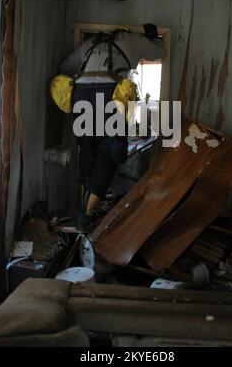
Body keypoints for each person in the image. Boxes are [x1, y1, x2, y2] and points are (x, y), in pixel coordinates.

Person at [60, 24, 166, 232]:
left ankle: (84, 208)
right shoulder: (133, 39)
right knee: (110, 154)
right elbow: (160, 52)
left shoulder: (90, 43)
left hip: (80, 95)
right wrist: (153, 37)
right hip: (108, 96)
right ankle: (85, 216)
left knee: (87, 150)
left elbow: (64, 67)